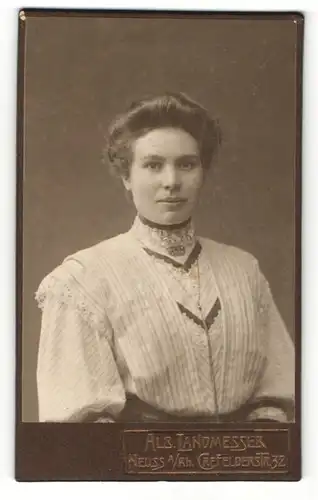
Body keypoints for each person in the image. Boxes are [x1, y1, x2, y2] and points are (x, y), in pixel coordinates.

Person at [35, 92, 295, 423]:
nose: (171, 182)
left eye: (186, 164)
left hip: (242, 461)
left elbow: (278, 387)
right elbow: (76, 425)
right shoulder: (82, 280)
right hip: (137, 465)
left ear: (203, 172)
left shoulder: (243, 269)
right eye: (153, 165)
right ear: (127, 177)